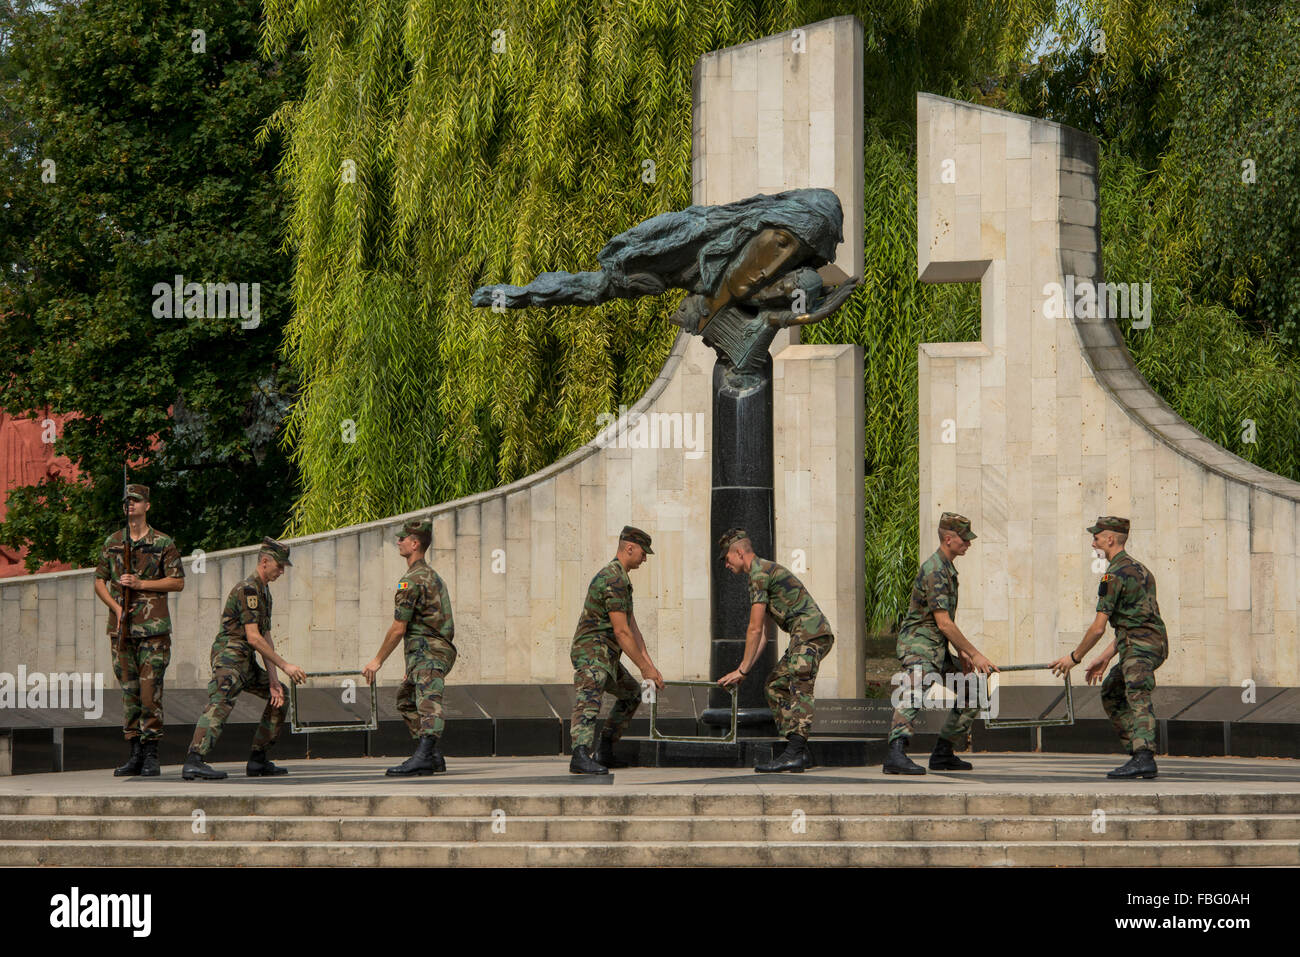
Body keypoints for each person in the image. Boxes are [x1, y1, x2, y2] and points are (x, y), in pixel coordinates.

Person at [1051, 517, 1168, 780]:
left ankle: (1144, 756)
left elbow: (1098, 628)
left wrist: (1075, 657)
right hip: (1148, 643)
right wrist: (1104, 657)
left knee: (1137, 694)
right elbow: (1134, 619)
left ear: (1110, 540)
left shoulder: (1113, 575)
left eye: (1096, 538)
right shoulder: (1141, 570)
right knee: (1112, 691)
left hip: (1138, 647)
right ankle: (1137, 751)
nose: (1093, 543)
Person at [182, 537, 307, 780]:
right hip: (230, 656)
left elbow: (266, 637)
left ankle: (258, 760)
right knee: (222, 700)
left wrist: (273, 680)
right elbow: (253, 637)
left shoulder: (264, 593)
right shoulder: (247, 589)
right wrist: (286, 665)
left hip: (246, 659)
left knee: (280, 695)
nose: (281, 571)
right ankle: (194, 759)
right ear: (264, 562)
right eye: (279, 566)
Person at [883, 512, 997, 775]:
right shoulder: (935, 570)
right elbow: (943, 622)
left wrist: (961, 652)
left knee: (973, 689)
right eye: (964, 539)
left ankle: (944, 752)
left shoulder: (946, 568)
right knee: (917, 684)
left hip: (936, 645)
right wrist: (975, 654)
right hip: (919, 643)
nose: (968, 544)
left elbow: (946, 624)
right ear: (948, 539)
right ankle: (895, 753)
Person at [715, 528, 835, 773]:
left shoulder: (759, 574)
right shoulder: (762, 573)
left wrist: (742, 668)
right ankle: (799, 751)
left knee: (801, 686)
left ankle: (794, 753)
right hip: (804, 636)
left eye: (726, 558)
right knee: (774, 685)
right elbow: (764, 638)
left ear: (739, 552)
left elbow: (754, 628)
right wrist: (744, 672)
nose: (726, 564)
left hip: (810, 634)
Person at [93, 484, 185, 777]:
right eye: (127, 502)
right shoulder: (113, 542)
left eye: (136, 501)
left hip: (153, 631)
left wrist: (142, 584)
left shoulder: (162, 542)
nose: (130, 505)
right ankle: (134, 751)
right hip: (122, 630)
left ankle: (151, 754)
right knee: (128, 692)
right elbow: (99, 581)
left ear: (147, 505)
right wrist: (116, 608)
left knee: (149, 693)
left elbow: (177, 581)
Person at [362, 519, 456, 776]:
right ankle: (433, 756)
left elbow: (399, 627)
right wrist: (412, 666)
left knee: (428, 703)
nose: (398, 542)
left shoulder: (411, 580)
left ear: (415, 544)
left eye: (402, 539)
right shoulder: (433, 576)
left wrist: (377, 661)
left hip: (429, 651)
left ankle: (424, 755)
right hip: (428, 651)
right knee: (406, 699)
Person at [569, 526, 664, 774]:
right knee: (590, 695)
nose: (645, 559)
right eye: (643, 553)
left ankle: (605, 750)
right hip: (591, 651)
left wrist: (650, 667)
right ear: (629, 548)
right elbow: (621, 632)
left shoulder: (622, 579)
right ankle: (579, 754)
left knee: (632, 694)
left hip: (606, 654)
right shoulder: (612, 578)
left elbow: (632, 628)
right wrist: (644, 668)